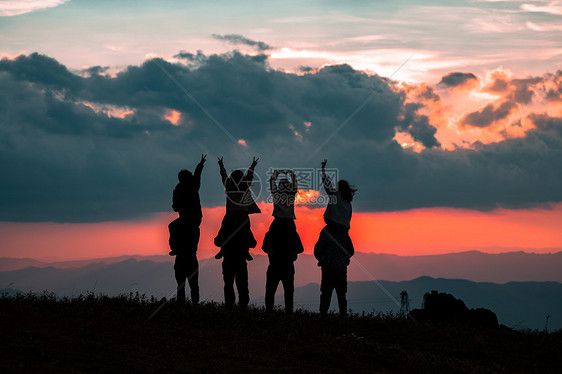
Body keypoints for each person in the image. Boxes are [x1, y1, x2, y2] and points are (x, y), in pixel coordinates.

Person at [214, 157, 261, 311]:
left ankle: (222, 249)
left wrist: (222, 165)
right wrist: (252, 165)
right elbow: (249, 176)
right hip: (242, 217)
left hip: (230, 216)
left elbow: (223, 176)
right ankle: (246, 250)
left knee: (224, 233)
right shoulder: (244, 185)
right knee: (246, 233)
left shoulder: (228, 185)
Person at [314, 159, 357, 316]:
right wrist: (344, 259)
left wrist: (323, 170)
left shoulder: (335, 196)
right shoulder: (348, 204)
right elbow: (350, 251)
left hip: (328, 262)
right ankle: (343, 316)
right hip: (341, 263)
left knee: (325, 292)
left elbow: (327, 186)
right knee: (341, 294)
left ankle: (323, 315)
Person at [262, 170, 304, 313]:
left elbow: (271, 183)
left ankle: (268, 310)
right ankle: (289, 310)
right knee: (289, 287)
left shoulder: (277, 194)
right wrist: (291, 174)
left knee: (271, 285)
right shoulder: (291, 195)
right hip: (289, 224)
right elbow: (295, 186)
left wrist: (277, 174)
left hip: (278, 222)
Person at [169, 154, 206, 304]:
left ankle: (174, 248)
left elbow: (175, 206)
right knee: (192, 282)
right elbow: (197, 175)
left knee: (172, 226)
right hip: (193, 221)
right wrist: (200, 164)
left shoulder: (180, 189)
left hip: (188, 220)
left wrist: (200, 165)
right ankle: (194, 304)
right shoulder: (192, 186)